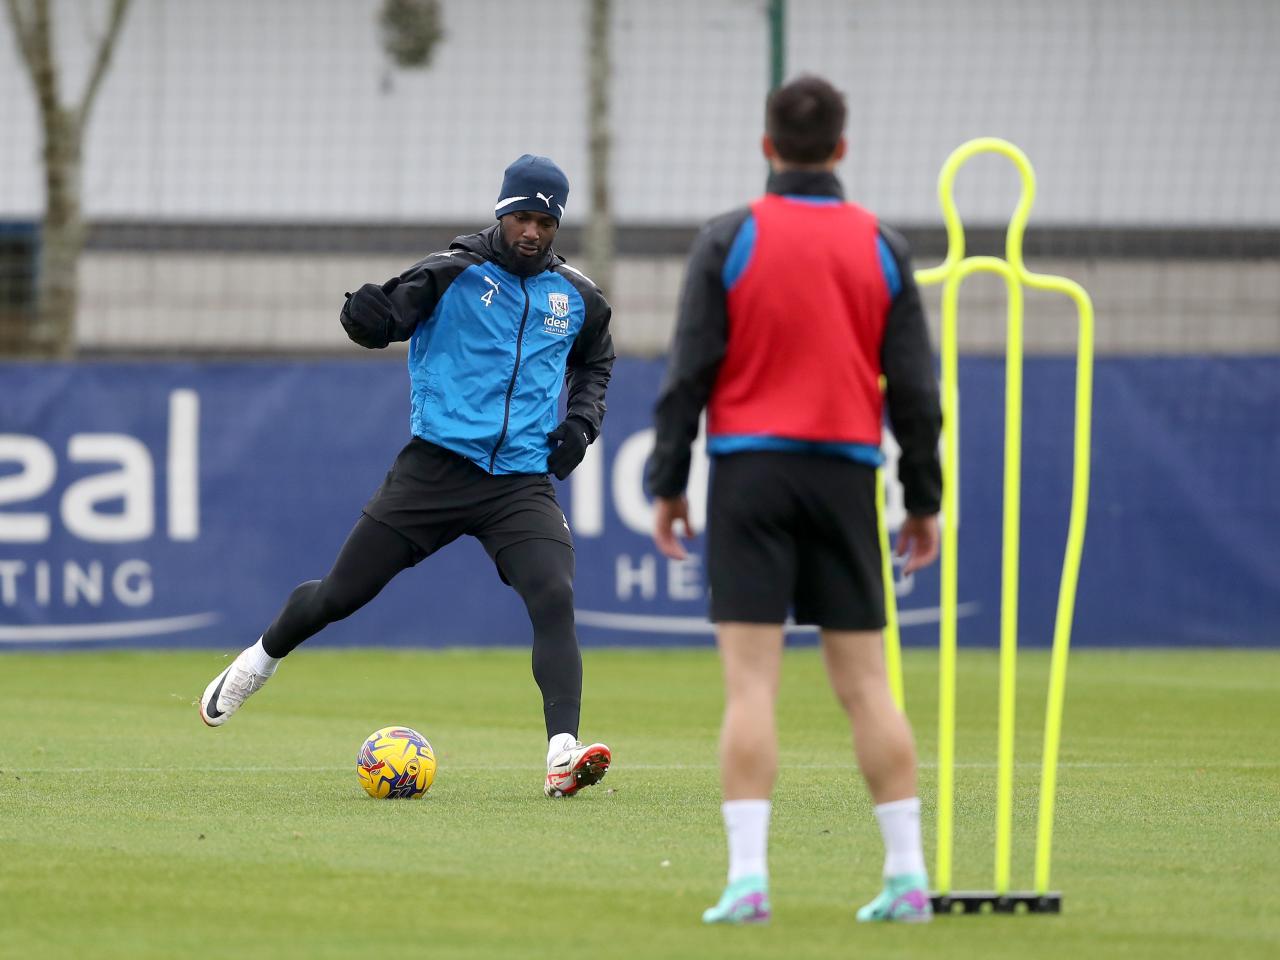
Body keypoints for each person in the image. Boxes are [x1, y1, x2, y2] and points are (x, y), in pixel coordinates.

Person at [199, 154, 615, 799]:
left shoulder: (578, 296)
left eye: (545, 221)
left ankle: (563, 752)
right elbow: (383, 320)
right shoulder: (450, 273)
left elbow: (596, 364)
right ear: (501, 213)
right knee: (340, 595)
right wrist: (363, 317)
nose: (532, 231)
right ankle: (260, 659)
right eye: (521, 217)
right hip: (436, 471)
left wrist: (581, 424)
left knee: (553, 595)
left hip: (519, 482)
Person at [647, 76, 943, 923]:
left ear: (767, 145)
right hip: (847, 475)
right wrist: (921, 497)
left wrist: (668, 483)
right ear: (842, 148)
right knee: (867, 686)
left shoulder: (727, 239)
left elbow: (688, 375)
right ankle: (907, 876)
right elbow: (917, 394)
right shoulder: (883, 246)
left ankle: (748, 883)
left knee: (752, 689)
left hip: (750, 473)